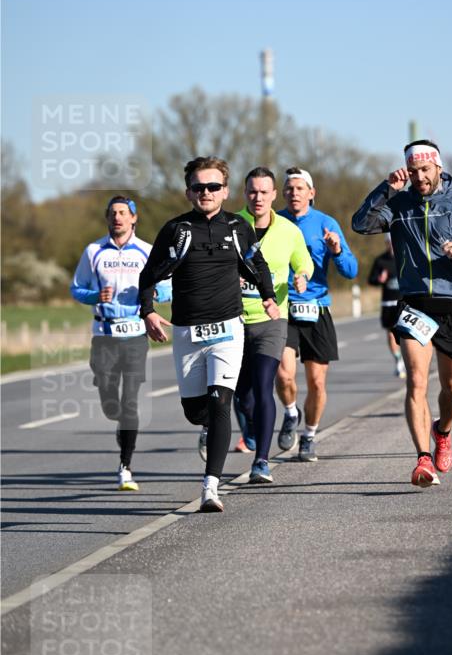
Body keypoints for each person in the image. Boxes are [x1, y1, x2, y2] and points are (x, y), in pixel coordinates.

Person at [352, 139, 452, 486]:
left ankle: (443, 430)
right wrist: (385, 190)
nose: (419, 177)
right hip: (415, 303)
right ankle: (422, 459)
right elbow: (361, 224)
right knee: (417, 382)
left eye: (425, 170)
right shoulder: (399, 204)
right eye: (413, 171)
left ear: (438, 167)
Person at [138, 156, 279, 512]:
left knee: (220, 402)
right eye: (199, 187)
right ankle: (204, 427)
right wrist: (149, 312)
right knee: (195, 409)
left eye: (213, 186)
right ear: (189, 191)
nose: (206, 192)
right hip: (187, 332)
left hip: (228, 329)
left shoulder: (237, 227)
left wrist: (268, 298)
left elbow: (256, 263)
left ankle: (210, 486)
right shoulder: (176, 230)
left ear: (225, 191)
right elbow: (148, 276)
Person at [71, 196, 171, 491]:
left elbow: (167, 288)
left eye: (123, 213)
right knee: (109, 400)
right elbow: (77, 288)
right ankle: (117, 418)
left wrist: (149, 295)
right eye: (113, 213)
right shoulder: (93, 251)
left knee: (129, 401)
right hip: (104, 334)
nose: (118, 217)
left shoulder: (146, 251)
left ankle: (125, 467)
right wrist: (94, 296)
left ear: (133, 218)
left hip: (135, 335)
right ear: (108, 218)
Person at [235, 167, 314, 483]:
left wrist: (302, 276)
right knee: (243, 396)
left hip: (272, 320)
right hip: (235, 319)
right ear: (245, 193)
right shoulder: (231, 225)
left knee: (265, 383)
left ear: (273, 195)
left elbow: (304, 261)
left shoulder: (288, 231)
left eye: (264, 192)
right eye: (252, 191)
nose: (258, 197)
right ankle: (254, 429)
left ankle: (261, 462)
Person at [275, 167, 358, 462]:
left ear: (311, 193)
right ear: (282, 193)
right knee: (284, 374)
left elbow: (350, 271)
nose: (294, 193)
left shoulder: (326, 223)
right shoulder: (274, 222)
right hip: (283, 308)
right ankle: (289, 412)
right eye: (289, 188)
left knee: (317, 382)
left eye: (300, 188)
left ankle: (309, 436)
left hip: (317, 308)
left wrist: (336, 250)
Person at [367, 235, 405, 379]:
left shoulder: (405, 258)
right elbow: (371, 280)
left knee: (404, 335)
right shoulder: (380, 260)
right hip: (388, 303)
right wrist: (379, 280)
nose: (392, 245)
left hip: (403, 303)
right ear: (386, 243)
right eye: (389, 243)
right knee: (390, 335)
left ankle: (406, 359)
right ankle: (398, 360)